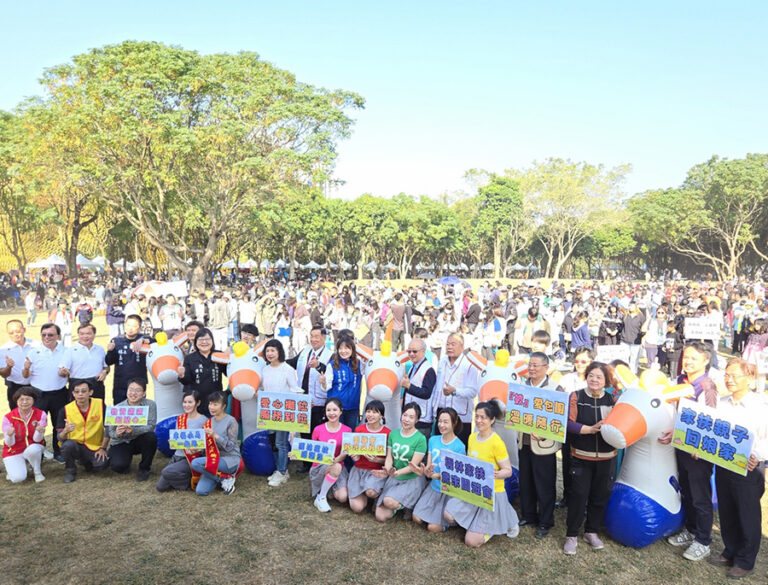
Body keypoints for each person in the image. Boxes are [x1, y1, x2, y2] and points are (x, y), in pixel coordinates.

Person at [708, 358, 768, 579]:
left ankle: (745, 560)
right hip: (725, 465)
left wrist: (758, 456)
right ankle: (730, 551)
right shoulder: (722, 403)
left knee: (747, 514)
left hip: (749, 469)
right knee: (728, 511)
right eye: (727, 375)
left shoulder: (760, 407)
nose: (729, 380)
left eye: (735, 376)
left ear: (750, 378)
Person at [662, 341, 719, 562]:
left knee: (700, 496)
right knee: (685, 490)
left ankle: (703, 541)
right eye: (685, 357)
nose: (687, 361)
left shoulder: (706, 387)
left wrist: (701, 447)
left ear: (705, 360)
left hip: (698, 451)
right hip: (680, 445)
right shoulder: (680, 381)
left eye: (693, 358)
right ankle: (691, 529)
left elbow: (711, 420)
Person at [443, 401, 519, 546]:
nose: (478, 420)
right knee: (448, 515)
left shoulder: (497, 443)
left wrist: (495, 474)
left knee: (471, 541)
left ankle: (497, 523)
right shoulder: (472, 437)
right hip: (473, 491)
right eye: (476, 416)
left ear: (492, 420)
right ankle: (480, 519)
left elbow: (508, 471)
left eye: (483, 417)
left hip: (491, 494)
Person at [563, 362, 617, 555]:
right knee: (578, 496)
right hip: (581, 455)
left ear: (606, 381)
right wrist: (590, 429)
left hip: (606, 457)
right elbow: (568, 423)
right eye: (591, 375)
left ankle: (591, 531)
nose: (594, 380)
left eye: (599, 377)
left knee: (599, 496)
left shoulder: (612, 399)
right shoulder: (577, 396)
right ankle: (571, 535)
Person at [518, 352, 561, 538]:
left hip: (544, 445)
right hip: (524, 442)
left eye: (536, 365)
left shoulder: (555, 389)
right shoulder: (522, 386)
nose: (532, 369)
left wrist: (544, 433)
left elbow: (559, 421)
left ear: (546, 367)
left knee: (544, 484)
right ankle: (529, 515)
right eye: (530, 365)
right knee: (526, 480)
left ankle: (545, 521)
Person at [22, 323, 72, 462]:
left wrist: (65, 373)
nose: (46, 337)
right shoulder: (33, 352)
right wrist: (26, 369)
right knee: (37, 426)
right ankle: (38, 454)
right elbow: (25, 375)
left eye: (50, 334)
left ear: (58, 336)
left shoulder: (66, 351)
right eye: (43, 334)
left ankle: (59, 451)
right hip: (38, 395)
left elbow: (69, 373)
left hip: (59, 393)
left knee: (59, 424)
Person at [412, 407, 465, 532]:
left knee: (432, 527)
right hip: (433, 487)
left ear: (454, 423)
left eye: (445, 422)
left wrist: (439, 476)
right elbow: (429, 466)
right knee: (416, 518)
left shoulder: (460, 446)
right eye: (440, 421)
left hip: (449, 491)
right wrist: (426, 472)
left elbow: (457, 476)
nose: (441, 425)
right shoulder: (433, 440)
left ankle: (450, 522)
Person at [374, 402, 428, 522]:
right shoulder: (394, 434)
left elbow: (412, 466)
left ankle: (409, 505)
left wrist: (396, 473)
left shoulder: (421, 438)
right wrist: (387, 470)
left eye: (411, 417)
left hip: (411, 479)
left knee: (388, 501)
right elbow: (389, 457)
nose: (406, 419)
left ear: (417, 420)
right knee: (380, 516)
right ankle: (399, 505)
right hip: (395, 478)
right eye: (405, 415)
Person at [260, 339, 302, 487]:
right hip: (269, 412)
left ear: (279, 352)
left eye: (273, 350)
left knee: (281, 442)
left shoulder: (287, 369)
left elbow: (294, 388)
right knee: (273, 442)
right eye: (268, 351)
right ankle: (279, 468)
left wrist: (301, 399)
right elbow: (263, 389)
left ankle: (282, 471)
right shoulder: (265, 370)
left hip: (284, 412)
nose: (270, 354)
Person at [555, 345, 594, 508]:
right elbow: (556, 397)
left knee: (585, 467)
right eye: (577, 360)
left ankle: (584, 501)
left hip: (588, 430)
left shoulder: (595, 380)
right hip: (569, 429)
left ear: (591, 361)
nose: (579, 364)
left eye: (584, 360)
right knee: (567, 464)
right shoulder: (566, 379)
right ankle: (567, 496)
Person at [189, 391, 240, 496]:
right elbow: (207, 445)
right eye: (210, 403)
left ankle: (224, 476)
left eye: (215, 404)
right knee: (201, 491)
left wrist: (215, 435)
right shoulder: (209, 422)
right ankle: (223, 479)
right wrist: (198, 450)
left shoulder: (231, 421)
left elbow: (231, 446)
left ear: (224, 406)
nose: (211, 407)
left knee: (196, 463)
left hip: (229, 459)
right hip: (213, 459)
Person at [57, 380, 110, 483]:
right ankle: (70, 470)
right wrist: (65, 431)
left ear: (90, 392)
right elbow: (59, 437)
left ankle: (86, 461)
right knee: (67, 446)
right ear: (73, 394)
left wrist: (103, 448)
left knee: (102, 465)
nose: (80, 394)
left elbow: (108, 427)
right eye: (77, 392)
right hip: (75, 444)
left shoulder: (100, 404)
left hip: (94, 445)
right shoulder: (65, 410)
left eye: (84, 391)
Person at [106, 379, 158, 481]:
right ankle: (120, 458)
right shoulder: (117, 408)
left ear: (144, 393)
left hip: (140, 439)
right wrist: (117, 433)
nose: (133, 393)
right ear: (127, 391)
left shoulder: (151, 405)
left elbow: (151, 426)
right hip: (121, 441)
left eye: (138, 390)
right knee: (119, 467)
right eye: (131, 390)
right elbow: (111, 432)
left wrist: (133, 430)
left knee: (151, 437)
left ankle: (144, 468)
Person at [432, 333, 478, 446]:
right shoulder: (442, 361)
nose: (449, 347)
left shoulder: (469, 366)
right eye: (447, 344)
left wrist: (455, 391)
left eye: (453, 344)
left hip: (459, 416)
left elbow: (473, 392)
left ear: (462, 347)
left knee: (458, 450)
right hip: (441, 412)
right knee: (440, 446)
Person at [157, 390, 208, 492]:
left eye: (190, 402)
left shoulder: (204, 421)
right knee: (161, 487)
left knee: (166, 472)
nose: (187, 405)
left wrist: (197, 449)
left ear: (198, 403)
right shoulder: (180, 419)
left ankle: (190, 484)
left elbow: (207, 444)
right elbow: (178, 441)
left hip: (191, 458)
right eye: (185, 402)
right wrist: (172, 442)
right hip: (177, 455)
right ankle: (185, 477)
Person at [345, 400, 391, 513]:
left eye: (375, 412)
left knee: (371, 492)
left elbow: (390, 459)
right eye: (368, 411)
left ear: (381, 415)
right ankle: (364, 496)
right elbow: (354, 452)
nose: (370, 415)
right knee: (357, 508)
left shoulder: (388, 433)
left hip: (376, 470)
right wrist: (354, 457)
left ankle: (375, 496)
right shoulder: (359, 430)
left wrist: (378, 459)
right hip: (359, 469)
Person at [308, 397, 352, 512]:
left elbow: (344, 452)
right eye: (328, 410)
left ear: (341, 411)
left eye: (335, 410)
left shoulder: (347, 430)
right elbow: (312, 450)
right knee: (336, 466)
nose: (331, 413)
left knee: (343, 498)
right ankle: (321, 497)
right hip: (320, 466)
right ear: (325, 412)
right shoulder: (318, 429)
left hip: (338, 466)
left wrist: (335, 460)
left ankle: (328, 486)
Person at [177, 328, 227, 417]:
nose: (204, 342)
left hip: (215, 402)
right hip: (198, 402)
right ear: (196, 342)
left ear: (212, 341)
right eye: (201, 340)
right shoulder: (190, 358)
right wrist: (181, 375)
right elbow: (187, 381)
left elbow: (229, 374)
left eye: (207, 339)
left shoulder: (219, 355)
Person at [2, 386, 46, 483]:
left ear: (33, 400)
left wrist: (39, 431)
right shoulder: (8, 417)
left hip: (33, 446)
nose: (25, 402)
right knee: (18, 478)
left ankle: (37, 472)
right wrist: (9, 435)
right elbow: (9, 443)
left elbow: (38, 440)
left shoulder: (41, 414)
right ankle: (12, 469)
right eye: (21, 399)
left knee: (33, 449)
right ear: (16, 401)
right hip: (14, 450)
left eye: (28, 399)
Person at [106, 314, 150, 406]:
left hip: (138, 385)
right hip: (120, 384)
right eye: (128, 325)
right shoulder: (117, 340)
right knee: (120, 412)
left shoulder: (144, 340)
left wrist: (143, 340)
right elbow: (109, 361)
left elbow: (155, 341)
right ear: (124, 325)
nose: (130, 328)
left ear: (139, 328)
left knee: (138, 413)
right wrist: (110, 351)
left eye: (134, 326)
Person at [401, 337, 436, 438]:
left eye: (415, 351)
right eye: (409, 351)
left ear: (423, 351)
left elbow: (426, 393)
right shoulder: (413, 367)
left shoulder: (428, 370)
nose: (411, 354)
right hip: (411, 417)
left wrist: (409, 386)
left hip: (422, 419)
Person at [0, 320, 38, 410]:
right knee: (16, 417)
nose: (15, 334)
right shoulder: (3, 350)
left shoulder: (36, 345)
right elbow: (3, 374)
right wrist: (8, 367)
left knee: (36, 417)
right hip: (15, 387)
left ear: (24, 329)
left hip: (35, 386)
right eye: (11, 332)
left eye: (18, 331)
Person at [327, 337, 363, 430]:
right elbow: (326, 387)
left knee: (349, 435)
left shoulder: (359, 364)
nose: (343, 351)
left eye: (347, 348)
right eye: (340, 348)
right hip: (336, 408)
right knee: (336, 433)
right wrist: (323, 382)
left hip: (353, 407)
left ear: (352, 349)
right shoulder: (332, 365)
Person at [68, 323, 109, 402]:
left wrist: (104, 372)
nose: (85, 336)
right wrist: (63, 372)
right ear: (78, 335)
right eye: (82, 334)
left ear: (94, 335)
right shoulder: (70, 350)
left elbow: (106, 366)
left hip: (96, 385)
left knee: (98, 411)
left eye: (88, 333)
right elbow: (63, 370)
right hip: (77, 386)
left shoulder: (100, 349)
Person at [621, 301, 645, 374]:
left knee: (634, 358)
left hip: (635, 341)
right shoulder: (625, 316)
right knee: (624, 357)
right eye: (629, 306)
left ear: (636, 307)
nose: (630, 307)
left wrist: (642, 337)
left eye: (632, 306)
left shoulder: (640, 316)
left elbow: (644, 328)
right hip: (625, 340)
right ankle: (625, 372)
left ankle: (633, 372)